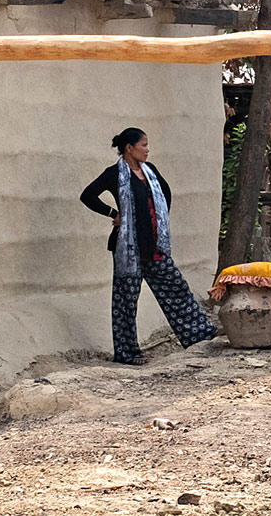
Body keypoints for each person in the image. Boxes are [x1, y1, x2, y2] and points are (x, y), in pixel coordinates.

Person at [80, 127, 219, 365]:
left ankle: (200, 334)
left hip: (155, 247)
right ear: (129, 148)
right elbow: (88, 195)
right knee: (126, 302)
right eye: (143, 145)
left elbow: (165, 192)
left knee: (176, 288)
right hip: (128, 249)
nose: (147, 149)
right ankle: (127, 353)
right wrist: (115, 213)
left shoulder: (150, 171)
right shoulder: (114, 174)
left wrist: (159, 218)